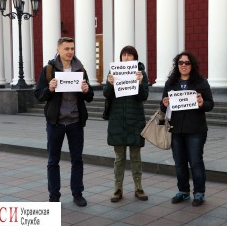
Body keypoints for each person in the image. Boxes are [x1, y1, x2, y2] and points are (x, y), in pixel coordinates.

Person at [34, 37, 94, 207]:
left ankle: (77, 193)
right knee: (53, 161)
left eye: (72, 48)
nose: (70, 52)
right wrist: (49, 89)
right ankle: (54, 195)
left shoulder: (80, 70)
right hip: (56, 123)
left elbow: (89, 97)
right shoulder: (48, 70)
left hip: (75, 123)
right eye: (66, 48)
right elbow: (38, 94)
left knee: (77, 160)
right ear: (58, 50)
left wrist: (86, 90)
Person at [160, 51, 214, 207]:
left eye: (187, 63)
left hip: (196, 130)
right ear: (177, 65)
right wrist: (164, 104)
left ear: (193, 65)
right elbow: (163, 107)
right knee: (179, 163)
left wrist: (202, 102)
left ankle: (199, 193)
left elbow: (210, 104)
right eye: (181, 63)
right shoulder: (171, 83)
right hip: (176, 130)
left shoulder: (201, 82)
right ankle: (183, 191)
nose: (184, 65)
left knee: (196, 162)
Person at [103, 45, 149, 202]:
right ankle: (117, 189)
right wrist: (109, 84)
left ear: (135, 58)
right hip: (117, 121)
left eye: (130, 55)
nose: (127, 58)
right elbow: (106, 94)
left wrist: (141, 82)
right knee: (119, 158)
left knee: (136, 157)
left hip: (135, 120)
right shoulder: (113, 72)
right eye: (124, 55)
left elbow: (143, 96)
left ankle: (139, 188)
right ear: (121, 57)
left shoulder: (141, 73)